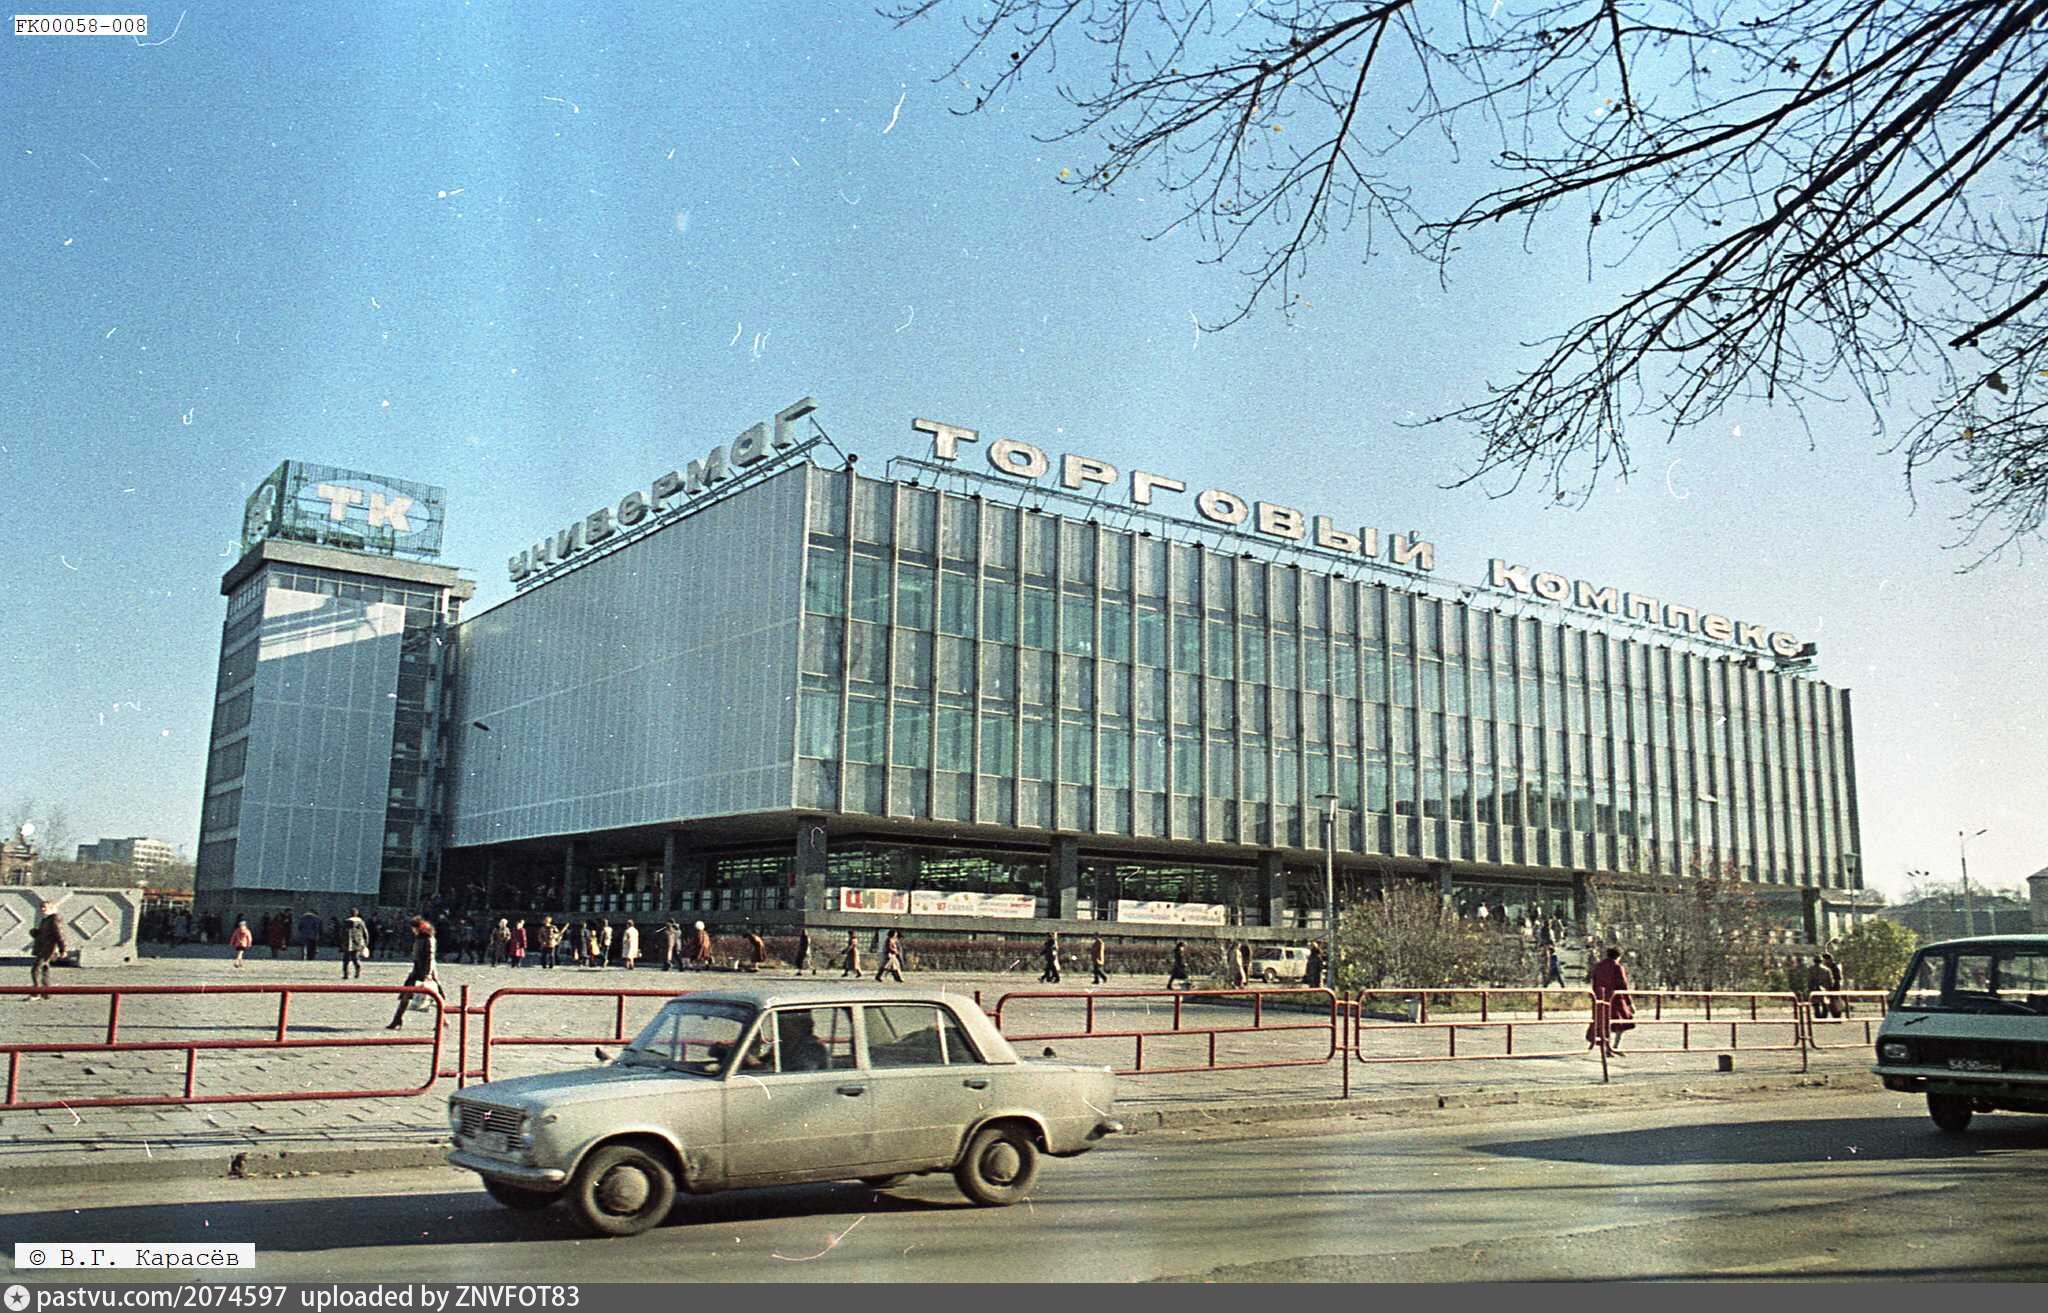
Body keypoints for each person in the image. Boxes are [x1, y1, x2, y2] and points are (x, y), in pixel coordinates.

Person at [386, 917, 439, 1030]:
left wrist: (428, 973)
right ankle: (397, 1020)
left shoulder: (428, 938)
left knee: (436, 997)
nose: (412, 930)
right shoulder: (420, 938)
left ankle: (442, 1020)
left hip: (425, 971)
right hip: (417, 970)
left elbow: (430, 956)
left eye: (413, 928)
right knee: (406, 995)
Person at [1587, 946, 1635, 1055]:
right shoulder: (1617, 967)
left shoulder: (1598, 966)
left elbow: (1594, 981)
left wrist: (1594, 996)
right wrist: (1629, 1003)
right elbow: (1623, 985)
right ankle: (1615, 1047)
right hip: (1616, 999)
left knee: (1602, 1022)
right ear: (1618, 956)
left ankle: (1605, 1046)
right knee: (1622, 1023)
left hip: (1600, 997)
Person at [30, 901, 68, 999]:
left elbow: (59, 934)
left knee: (36, 969)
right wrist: (35, 932)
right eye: (41, 907)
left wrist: (63, 949)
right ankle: (46, 993)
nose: (42, 909)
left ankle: (36, 993)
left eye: (44, 907)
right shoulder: (46, 920)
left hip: (49, 949)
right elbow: (45, 933)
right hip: (44, 948)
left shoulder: (54, 919)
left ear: (52, 908)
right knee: (44, 969)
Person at [342, 907, 369, 980]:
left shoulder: (346, 922)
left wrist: (341, 943)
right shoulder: (361, 922)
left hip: (348, 943)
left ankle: (346, 974)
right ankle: (357, 973)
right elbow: (365, 933)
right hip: (358, 943)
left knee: (346, 960)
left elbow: (342, 933)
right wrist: (366, 943)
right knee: (355, 959)